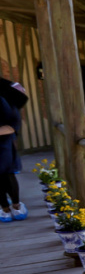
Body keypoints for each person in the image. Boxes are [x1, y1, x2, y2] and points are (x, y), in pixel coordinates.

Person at [0, 79, 28, 223]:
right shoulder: (5, 95)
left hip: (3, 143)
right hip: (5, 142)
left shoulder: (3, 98)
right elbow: (14, 122)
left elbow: (12, 124)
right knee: (7, 174)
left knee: (6, 174)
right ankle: (12, 208)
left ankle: (9, 208)